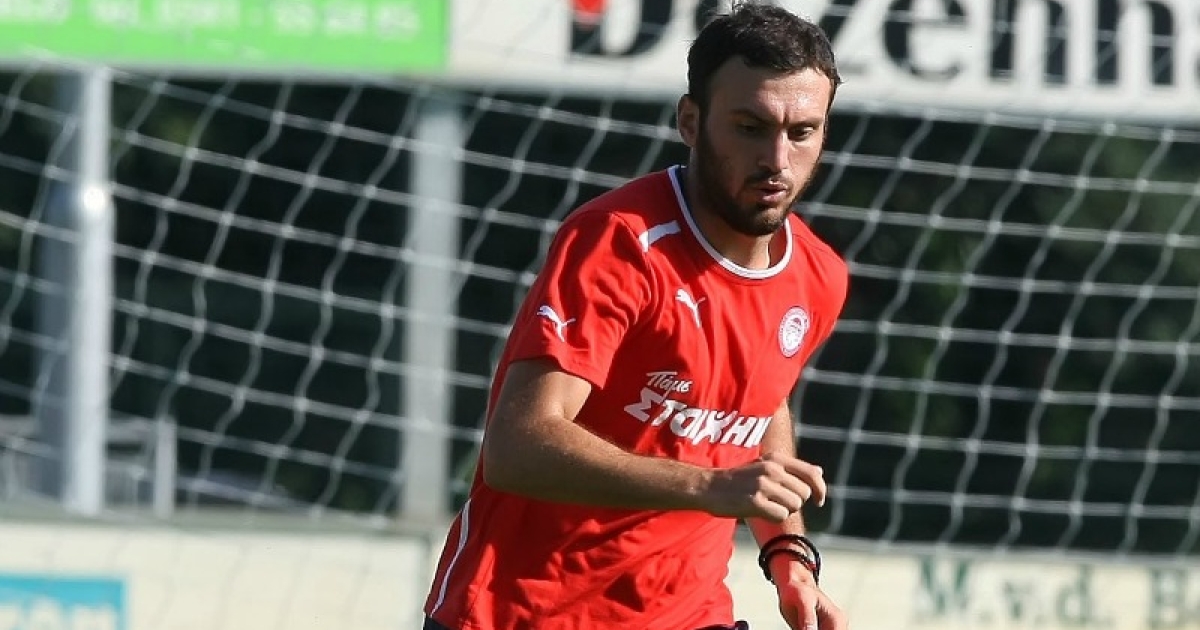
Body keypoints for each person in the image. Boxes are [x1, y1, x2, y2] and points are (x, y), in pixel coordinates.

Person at [423, 3, 849, 629]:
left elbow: (759, 406)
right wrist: (710, 486)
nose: (777, 160)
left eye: (802, 132)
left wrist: (788, 554)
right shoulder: (619, 242)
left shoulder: (818, 275)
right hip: (524, 614)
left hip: (688, 613)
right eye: (750, 127)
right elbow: (517, 447)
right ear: (690, 121)